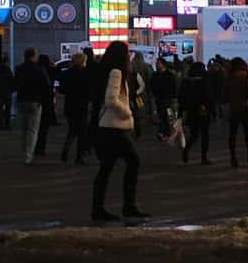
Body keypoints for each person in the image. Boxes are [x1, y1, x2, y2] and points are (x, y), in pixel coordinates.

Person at [91, 41, 149, 223]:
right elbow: (111, 100)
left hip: (106, 127)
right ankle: (128, 206)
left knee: (106, 168)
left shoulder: (107, 71)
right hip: (115, 127)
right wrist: (127, 112)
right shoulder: (117, 72)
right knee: (133, 161)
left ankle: (99, 208)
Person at [15, 48, 50, 165]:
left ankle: (24, 150)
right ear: (34, 56)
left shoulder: (19, 69)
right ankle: (28, 155)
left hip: (21, 100)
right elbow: (46, 85)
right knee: (32, 130)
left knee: (23, 128)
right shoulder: (39, 69)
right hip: (35, 101)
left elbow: (15, 83)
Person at [179, 61, 214, 165]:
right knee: (204, 135)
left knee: (194, 135)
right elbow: (208, 97)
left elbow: (181, 98)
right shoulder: (204, 82)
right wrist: (212, 111)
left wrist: (181, 112)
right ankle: (204, 157)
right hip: (203, 111)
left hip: (191, 111)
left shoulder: (186, 82)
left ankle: (187, 148)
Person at [224, 57, 248, 167]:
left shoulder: (229, 76)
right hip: (244, 107)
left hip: (233, 108)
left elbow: (225, 93)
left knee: (232, 134)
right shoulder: (246, 75)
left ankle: (233, 158)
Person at [59, 53, 90, 164]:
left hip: (70, 104)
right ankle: (79, 157)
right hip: (81, 105)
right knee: (82, 132)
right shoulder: (86, 73)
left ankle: (65, 151)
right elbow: (89, 89)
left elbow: (61, 89)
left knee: (72, 130)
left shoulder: (66, 73)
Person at [34, 54, 56, 157]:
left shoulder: (36, 70)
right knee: (44, 127)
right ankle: (41, 148)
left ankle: (33, 147)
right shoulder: (50, 70)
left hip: (36, 99)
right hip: (46, 100)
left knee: (34, 126)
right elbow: (58, 75)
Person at [150, 58, 176, 137]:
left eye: (158, 63)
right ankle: (164, 131)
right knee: (161, 114)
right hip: (158, 98)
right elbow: (151, 85)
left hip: (167, 98)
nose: (156, 65)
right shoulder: (155, 75)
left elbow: (173, 86)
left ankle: (167, 130)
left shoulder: (169, 75)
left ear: (163, 64)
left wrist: (173, 97)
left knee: (168, 114)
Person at [0, 61, 15, 130]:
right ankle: (7, 124)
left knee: (0, 109)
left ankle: (0, 124)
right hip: (7, 92)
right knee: (7, 109)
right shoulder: (9, 71)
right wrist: (12, 90)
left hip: (0, 92)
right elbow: (12, 81)